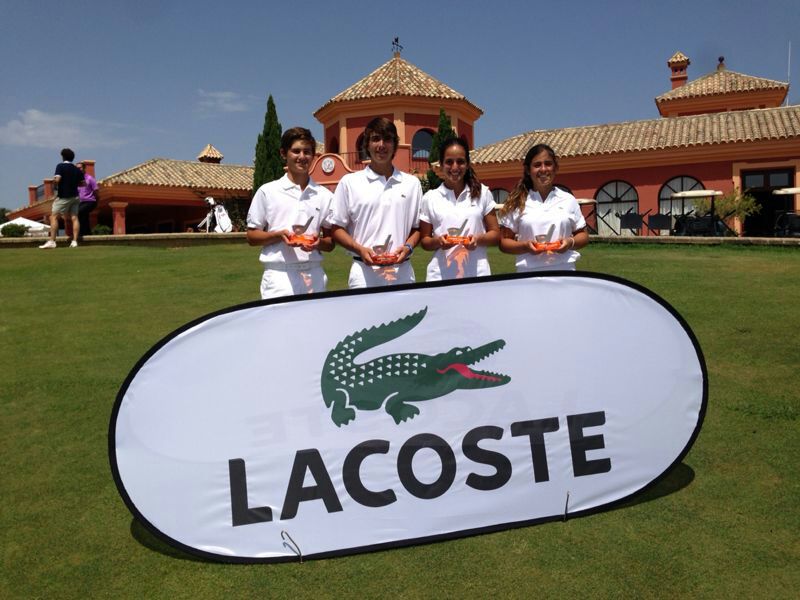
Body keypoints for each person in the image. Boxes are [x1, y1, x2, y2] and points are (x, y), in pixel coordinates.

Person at [326, 117, 422, 288]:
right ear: (367, 144)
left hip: (402, 271)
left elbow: (416, 228)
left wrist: (408, 247)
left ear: (395, 145)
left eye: (387, 139)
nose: (381, 145)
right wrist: (360, 249)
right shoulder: (349, 182)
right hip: (364, 274)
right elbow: (336, 228)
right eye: (376, 138)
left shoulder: (412, 184)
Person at [246, 127, 335, 299]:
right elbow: (251, 236)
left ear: (314, 155)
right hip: (279, 276)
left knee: (314, 324)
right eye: (296, 151)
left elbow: (330, 243)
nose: (302, 157)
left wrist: (317, 243)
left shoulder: (324, 195)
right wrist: (279, 236)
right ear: (283, 153)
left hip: (314, 274)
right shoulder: (268, 191)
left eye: (307, 152)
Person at [498, 144, 588, 271]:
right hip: (529, 273)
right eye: (537, 165)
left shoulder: (568, 199)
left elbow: (583, 235)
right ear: (528, 170)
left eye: (548, 164)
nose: (543, 169)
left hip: (564, 271)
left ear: (555, 167)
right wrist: (525, 246)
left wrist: (570, 243)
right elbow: (503, 242)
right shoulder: (518, 202)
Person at [419, 136, 499, 280]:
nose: (455, 167)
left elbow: (495, 234)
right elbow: (424, 240)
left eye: (460, 162)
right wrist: (438, 242)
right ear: (441, 165)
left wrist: (478, 239)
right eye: (449, 162)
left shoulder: (482, 193)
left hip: (477, 275)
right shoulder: (430, 198)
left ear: (467, 164)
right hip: (440, 277)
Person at [39, 148, 84, 249]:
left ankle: (52, 241)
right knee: (74, 217)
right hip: (75, 196)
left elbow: (57, 179)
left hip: (64, 196)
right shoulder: (77, 169)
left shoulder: (60, 166)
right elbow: (83, 184)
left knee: (53, 217)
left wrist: (54, 183)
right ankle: (74, 241)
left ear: (63, 156)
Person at [77, 162, 98, 241]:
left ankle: (81, 232)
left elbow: (96, 191)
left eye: (80, 168)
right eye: (77, 168)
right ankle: (87, 233)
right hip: (81, 202)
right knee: (84, 216)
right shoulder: (77, 180)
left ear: (84, 168)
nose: (78, 169)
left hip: (90, 201)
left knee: (79, 212)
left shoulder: (90, 178)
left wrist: (97, 201)